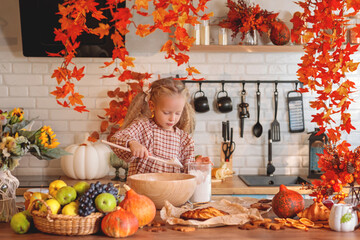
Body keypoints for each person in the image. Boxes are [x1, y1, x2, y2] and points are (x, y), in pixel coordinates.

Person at [110, 77, 209, 176]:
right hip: (141, 190)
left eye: (178, 113)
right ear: (152, 106)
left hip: (171, 191)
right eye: (166, 113)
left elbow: (187, 174)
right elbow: (116, 139)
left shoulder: (185, 140)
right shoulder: (142, 127)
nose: (172, 118)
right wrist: (132, 143)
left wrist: (196, 166)